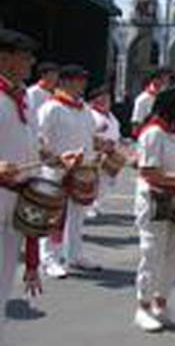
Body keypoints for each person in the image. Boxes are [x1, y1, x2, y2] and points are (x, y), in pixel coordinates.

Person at [132, 87, 175, 332]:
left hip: (173, 197)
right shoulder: (153, 133)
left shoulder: (174, 133)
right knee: (152, 253)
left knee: (171, 255)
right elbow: (148, 171)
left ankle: (161, 304)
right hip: (153, 199)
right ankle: (143, 307)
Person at [0, 29, 43, 344]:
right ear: (4, 58)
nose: (31, 62)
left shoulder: (23, 98)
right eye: (25, 56)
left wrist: (55, 158)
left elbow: (31, 148)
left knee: (2, 286)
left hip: (15, 206)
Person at [38, 65, 99, 278]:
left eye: (83, 80)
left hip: (80, 169)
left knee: (77, 215)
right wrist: (56, 159)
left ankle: (74, 254)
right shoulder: (51, 108)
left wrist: (95, 156)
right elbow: (39, 139)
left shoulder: (85, 109)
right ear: (65, 82)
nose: (82, 84)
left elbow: (90, 137)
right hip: (56, 170)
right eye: (78, 80)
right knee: (53, 216)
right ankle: (49, 259)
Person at [87, 83, 121, 219]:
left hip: (110, 152)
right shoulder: (90, 113)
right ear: (96, 99)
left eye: (108, 98)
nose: (107, 100)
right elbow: (87, 134)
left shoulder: (111, 115)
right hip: (96, 152)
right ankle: (89, 205)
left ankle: (97, 204)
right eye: (103, 98)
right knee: (93, 180)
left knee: (106, 181)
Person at [131, 67, 172, 132]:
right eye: (156, 85)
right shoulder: (142, 100)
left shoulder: (166, 98)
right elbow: (136, 125)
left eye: (162, 84)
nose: (160, 87)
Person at [26, 61, 59, 126]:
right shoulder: (32, 92)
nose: (54, 78)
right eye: (51, 75)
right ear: (43, 75)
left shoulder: (57, 93)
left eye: (56, 75)